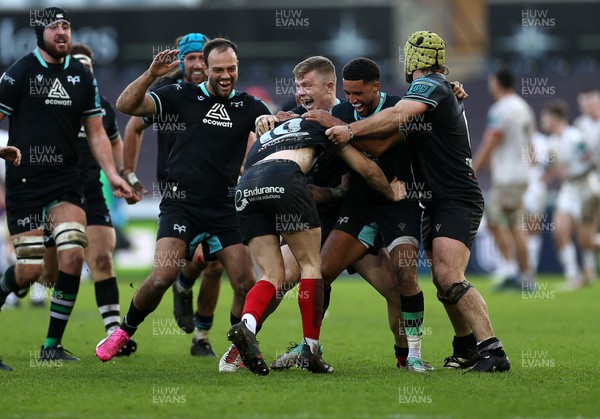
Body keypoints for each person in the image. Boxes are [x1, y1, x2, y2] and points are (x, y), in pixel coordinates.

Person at [326, 30, 511, 372]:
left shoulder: (429, 88)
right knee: (444, 281)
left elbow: (397, 115)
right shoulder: (442, 90)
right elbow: (385, 142)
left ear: (410, 61)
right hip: (437, 199)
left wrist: (348, 130)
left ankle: (493, 351)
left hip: (457, 196)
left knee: (448, 275)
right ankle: (466, 346)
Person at [95, 38, 271, 362]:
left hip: (225, 207)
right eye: (218, 69)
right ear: (205, 68)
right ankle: (123, 332)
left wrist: (268, 125)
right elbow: (126, 106)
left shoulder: (249, 107)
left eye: (231, 68)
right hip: (181, 205)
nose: (225, 75)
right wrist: (150, 75)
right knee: (163, 276)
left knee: (247, 283)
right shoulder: (180, 95)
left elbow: (275, 134)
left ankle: (237, 346)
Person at [0, 7, 132, 370]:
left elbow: (97, 133)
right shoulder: (19, 72)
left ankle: (51, 344)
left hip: (66, 182)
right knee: (29, 271)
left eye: (66, 26)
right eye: (54, 26)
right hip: (26, 183)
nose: (62, 32)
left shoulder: (80, 76)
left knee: (73, 255)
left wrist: (114, 174)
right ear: (39, 34)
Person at [229, 115, 405, 375]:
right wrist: (392, 191)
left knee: (270, 274)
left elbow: (271, 174)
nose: (302, 92)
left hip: (247, 184)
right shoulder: (326, 124)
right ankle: (311, 348)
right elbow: (366, 168)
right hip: (288, 180)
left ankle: (248, 324)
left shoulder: (272, 132)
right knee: (311, 266)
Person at [122, 33, 224, 357]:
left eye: (201, 59)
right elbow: (132, 126)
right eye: (190, 58)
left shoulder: (222, 91)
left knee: (214, 264)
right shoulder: (169, 95)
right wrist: (129, 173)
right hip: (177, 192)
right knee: (173, 266)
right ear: (181, 60)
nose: (196, 65)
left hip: (216, 191)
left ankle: (202, 337)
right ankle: (174, 290)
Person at [34, 43, 137, 357]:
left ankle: (111, 336)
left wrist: (123, 176)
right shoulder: (50, 103)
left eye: (88, 67)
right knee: (48, 275)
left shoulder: (102, 107)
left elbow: (115, 141)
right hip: (58, 194)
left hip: (91, 192)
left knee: (102, 260)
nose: (84, 71)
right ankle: (49, 338)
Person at [472, 68, 536, 290]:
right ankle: (525, 276)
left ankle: (512, 271)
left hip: (507, 177)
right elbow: (532, 147)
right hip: (521, 174)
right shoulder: (524, 107)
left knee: (496, 221)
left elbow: (490, 143)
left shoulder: (500, 109)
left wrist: (472, 172)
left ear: (497, 83)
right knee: (515, 223)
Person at [542, 100, 598, 289]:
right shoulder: (551, 141)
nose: (544, 121)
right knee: (560, 232)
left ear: (554, 118)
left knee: (585, 239)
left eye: (546, 117)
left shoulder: (574, 137)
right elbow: (551, 167)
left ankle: (589, 273)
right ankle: (573, 276)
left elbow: (591, 161)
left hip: (585, 189)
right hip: (568, 190)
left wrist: (572, 172)